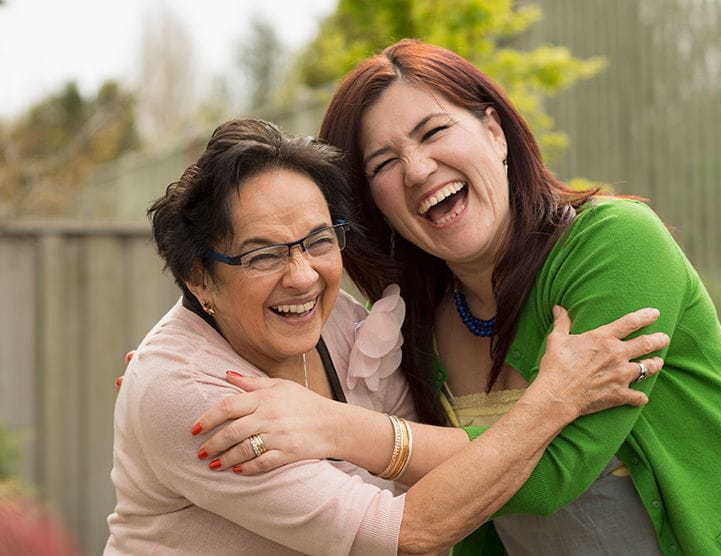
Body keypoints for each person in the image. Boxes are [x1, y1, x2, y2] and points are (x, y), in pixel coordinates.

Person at [196, 41, 721, 555]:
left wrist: (330, 427)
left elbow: (550, 476)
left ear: (495, 133)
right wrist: (195, 353)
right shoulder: (416, 318)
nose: (417, 169)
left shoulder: (616, 242)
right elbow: (291, 328)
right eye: (383, 163)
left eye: (433, 131)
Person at [106, 118, 666, 555]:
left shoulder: (345, 325)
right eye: (262, 254)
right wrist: (555, 397)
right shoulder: (195, 399)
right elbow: (412, 532)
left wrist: (338, 428)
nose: (302, 275)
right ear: (198, 277)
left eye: (319, 240)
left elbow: (440, 466)